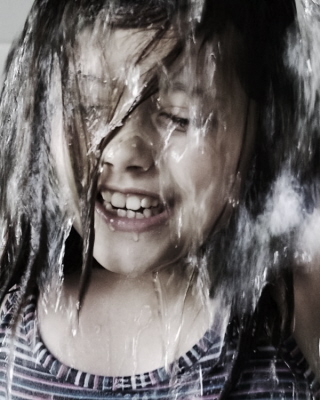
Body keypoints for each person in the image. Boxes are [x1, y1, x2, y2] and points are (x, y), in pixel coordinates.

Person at [0, 0, 316, 398]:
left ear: (269, 128)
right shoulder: (9, 318)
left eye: (180, 116)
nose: (121, 152)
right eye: (88, 106)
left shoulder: (294, 302)